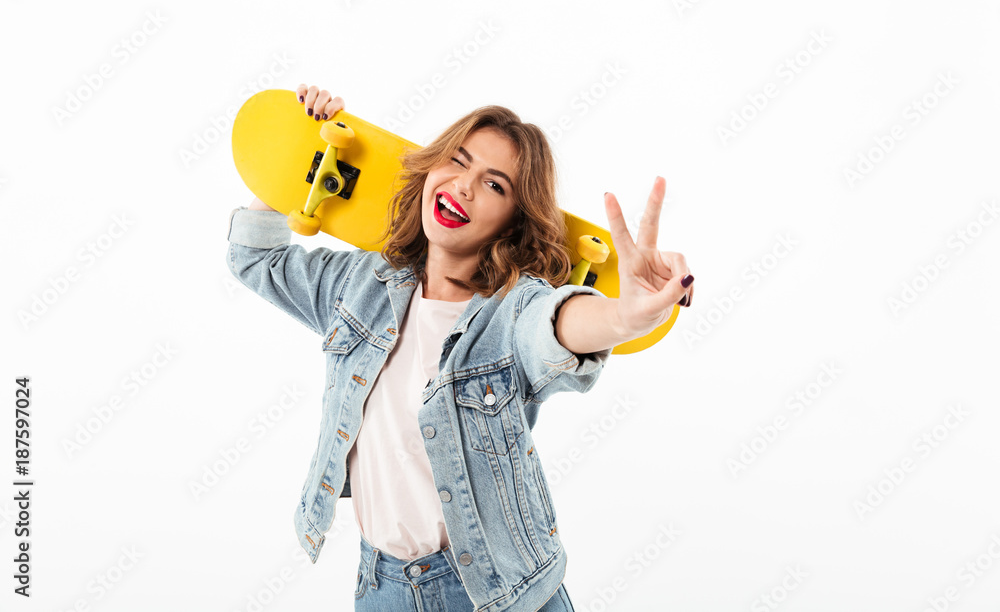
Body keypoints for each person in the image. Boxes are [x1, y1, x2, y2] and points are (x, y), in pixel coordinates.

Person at [226, 84, 694, 611]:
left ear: (513, 220)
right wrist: (297, 149)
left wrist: (623, 316)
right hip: (383, 590)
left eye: (494, 184)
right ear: (431, 169)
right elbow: (253, 258)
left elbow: (558, 325)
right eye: (457, 161)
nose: (464, 187)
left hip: (499, 594)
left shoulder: (512, 310)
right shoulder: (358, 287)